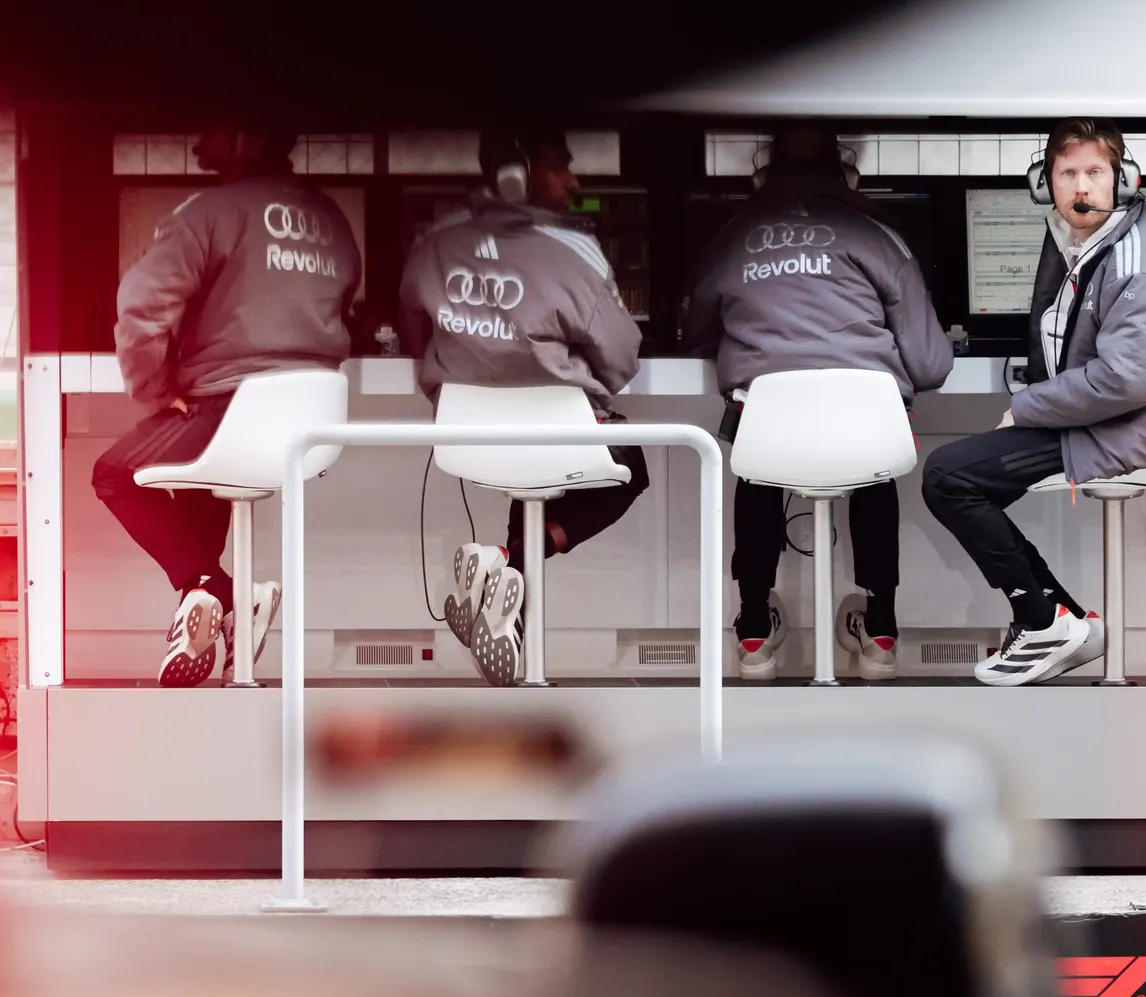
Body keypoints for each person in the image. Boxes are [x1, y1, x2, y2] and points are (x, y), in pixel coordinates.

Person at [921, 120, 1146, 686]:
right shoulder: (1084, 236)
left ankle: (1044, 621)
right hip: (1102, 414)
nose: (1082, 187)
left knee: (949, 477)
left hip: (1136, 423)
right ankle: (1057, 619)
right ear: (1047, 184)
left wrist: (1028, 407)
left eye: (1095, 172)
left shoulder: (1143, 260)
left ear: (1124, 179)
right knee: (963, 476)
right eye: (1068, 174)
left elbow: (1125, 381)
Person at [680, 121, 952, 680]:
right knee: (874, 466)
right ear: (845, 170)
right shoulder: (878, 234)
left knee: (755, 461)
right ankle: (880, 628)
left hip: (768, 423)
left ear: (765, 169)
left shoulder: (734, 235)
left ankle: (754, 627)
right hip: (865, 428)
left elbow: (696, 333)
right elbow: (931, 365)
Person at [91, 127, 361, 688]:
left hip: (231, 409)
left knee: (115, 474)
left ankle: (212, 591)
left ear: (241, 139)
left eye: (209, 135)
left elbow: (141, 305)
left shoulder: (208, 212)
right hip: (314, 422)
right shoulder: (331, 219)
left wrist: (157, 388)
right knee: (210, 471)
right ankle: (219, 597)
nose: (196, 147)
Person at [399, 130, 646, 689]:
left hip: (465, 436)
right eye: (561, 168)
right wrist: (585, 393)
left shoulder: (436, 243)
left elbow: (414, 327)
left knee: (529, 483)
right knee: (630, 467)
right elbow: (623, 351)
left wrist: (449, 389)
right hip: (557, 435)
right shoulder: (573, 250)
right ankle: (505, 564)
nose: (573, 182)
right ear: (520, 173)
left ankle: (510, 606)